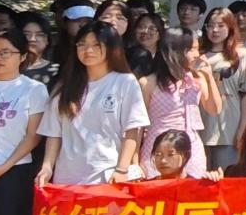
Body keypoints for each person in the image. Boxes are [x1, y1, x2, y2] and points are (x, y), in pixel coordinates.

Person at [36, 22, 148, 188]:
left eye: (96, 45)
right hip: (67, 178)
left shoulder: (125, 81)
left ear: (112, 48)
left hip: (108, 174)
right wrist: (47, 167)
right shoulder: (64, 86)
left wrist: (122, 169)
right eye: (82, 44)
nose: (88, 50)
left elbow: (133, 129)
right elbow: (54, 133)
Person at [140, 27, 222, 179]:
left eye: (197, 49)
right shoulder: (148, 83)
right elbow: (138, 125)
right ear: (175, 51)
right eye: (191, 49)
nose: (197, 54)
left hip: (191, 146)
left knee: (192, 188)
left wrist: (209, 77)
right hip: (159, 147)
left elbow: (214, 109)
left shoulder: (197, 79)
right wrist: (133, 160)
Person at [199, 7, 246, 172]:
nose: (215, 30)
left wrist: (243, 128)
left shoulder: (242, 55)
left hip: (229, 129)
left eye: (221, 26)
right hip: (198, 128)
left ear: (231, 28)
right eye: (210, 25)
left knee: (228, 176)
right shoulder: (197, 55)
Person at [18, 12, 60, 88]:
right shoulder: (6, 66)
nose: (32, 39)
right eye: (26, 34)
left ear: (47, 40)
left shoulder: (55, 70)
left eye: (39, 34)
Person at [125, 11, 165, 75]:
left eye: (152, 28)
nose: (145, 31)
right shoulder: (124, 55)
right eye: (141, 27)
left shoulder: (164, 59)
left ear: (160, 34)